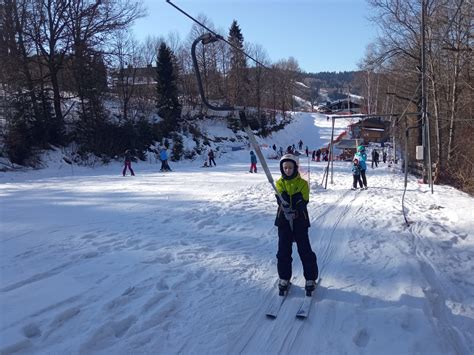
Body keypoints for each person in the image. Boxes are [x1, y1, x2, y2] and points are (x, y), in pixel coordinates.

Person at [274, 154, 319, 295]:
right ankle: (284, 278)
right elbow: (279, 196)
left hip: (300, 221)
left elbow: (304, 198)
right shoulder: (279, 183)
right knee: (283, 251)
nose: (287, 170)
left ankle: (310, 278)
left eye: (290, 167)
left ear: (295, 168)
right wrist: (284, 203)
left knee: (304, 250)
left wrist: (297, 206)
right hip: (284, 221)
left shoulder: (303, 183)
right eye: (285, 168)